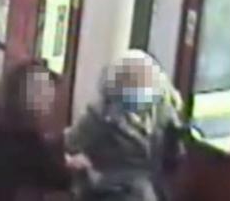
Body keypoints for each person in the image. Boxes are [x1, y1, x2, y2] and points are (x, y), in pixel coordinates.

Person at [65, 50, 185, 201]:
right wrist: (84, 166)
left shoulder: (163, 113)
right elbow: (69, 145)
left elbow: (173, 158)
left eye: (145, 83)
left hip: (151, 191)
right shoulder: (100, 115)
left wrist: (176, 140)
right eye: (134, 83)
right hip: (110, 191)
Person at [0, 61, 70, 201]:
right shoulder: (27, 155)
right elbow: (52, 180)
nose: (54, 111)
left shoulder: (3, 136)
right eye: (50, 103)